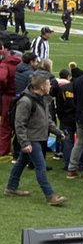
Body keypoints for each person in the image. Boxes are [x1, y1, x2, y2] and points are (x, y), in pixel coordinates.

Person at [4, 71, 66, 205]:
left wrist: (58, 132)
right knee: (41, 166)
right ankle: (50, 196)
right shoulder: (26, 101)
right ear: (42, 86)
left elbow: (47, 120)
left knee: (21, 163)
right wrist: (25, 143)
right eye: (49, 84)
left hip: (37, 137)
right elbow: (19, 124)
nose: (51, 86)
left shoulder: (43, 99)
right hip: (31, 139)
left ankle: (11, 187)